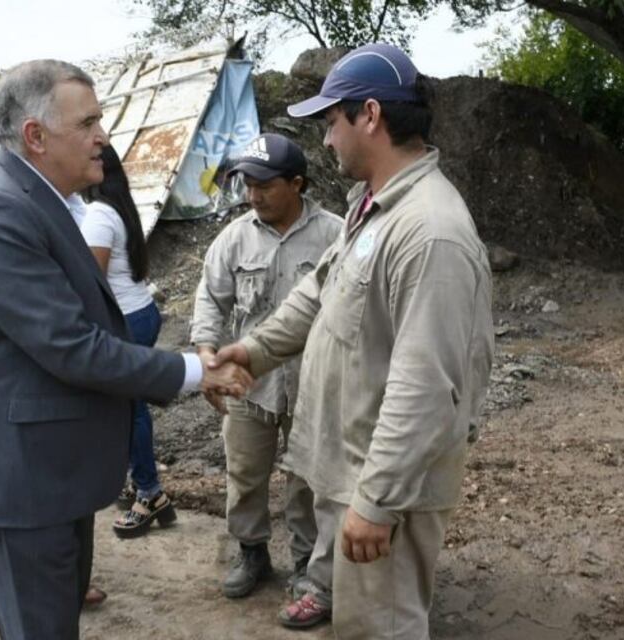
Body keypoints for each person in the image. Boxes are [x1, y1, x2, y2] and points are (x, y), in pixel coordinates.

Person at [0, 59, 253, 639]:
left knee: (55, 612)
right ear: (35, 135)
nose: (104, 135)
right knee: (39, 626)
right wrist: (196, 371)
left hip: (42, 463)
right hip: (16, 473)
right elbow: (69, 345)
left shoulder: (36, 195)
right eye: (90, 122)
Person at [211, 43, 495, 640]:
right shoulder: (376, 209)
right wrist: (255, 350)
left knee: (380, 626)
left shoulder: (429, 232)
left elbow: (426, 386)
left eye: (331, 121)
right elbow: (319, 293)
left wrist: (378, 502)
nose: (327, 140)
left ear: (369, 115)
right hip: (353, 466)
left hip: (380, 478)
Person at [191, 132, 342, 628]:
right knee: (244, 473)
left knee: (307, 478)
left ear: (296, 183)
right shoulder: (235, 237)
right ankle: (252, 550)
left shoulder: (337, 235)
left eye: (263, 184)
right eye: (246, 183)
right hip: (248, 385)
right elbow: (210, 300)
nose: (252, 194)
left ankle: (306, 560)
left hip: (314, 383)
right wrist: (208, 357)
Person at [80, 145, 177, 539]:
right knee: (128, 408)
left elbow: (93, 284)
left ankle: (150, 494)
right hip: (140, 313)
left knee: (129, 410)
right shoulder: (118, 207)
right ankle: (142, 484)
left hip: (125, 320)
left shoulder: (100, 214)